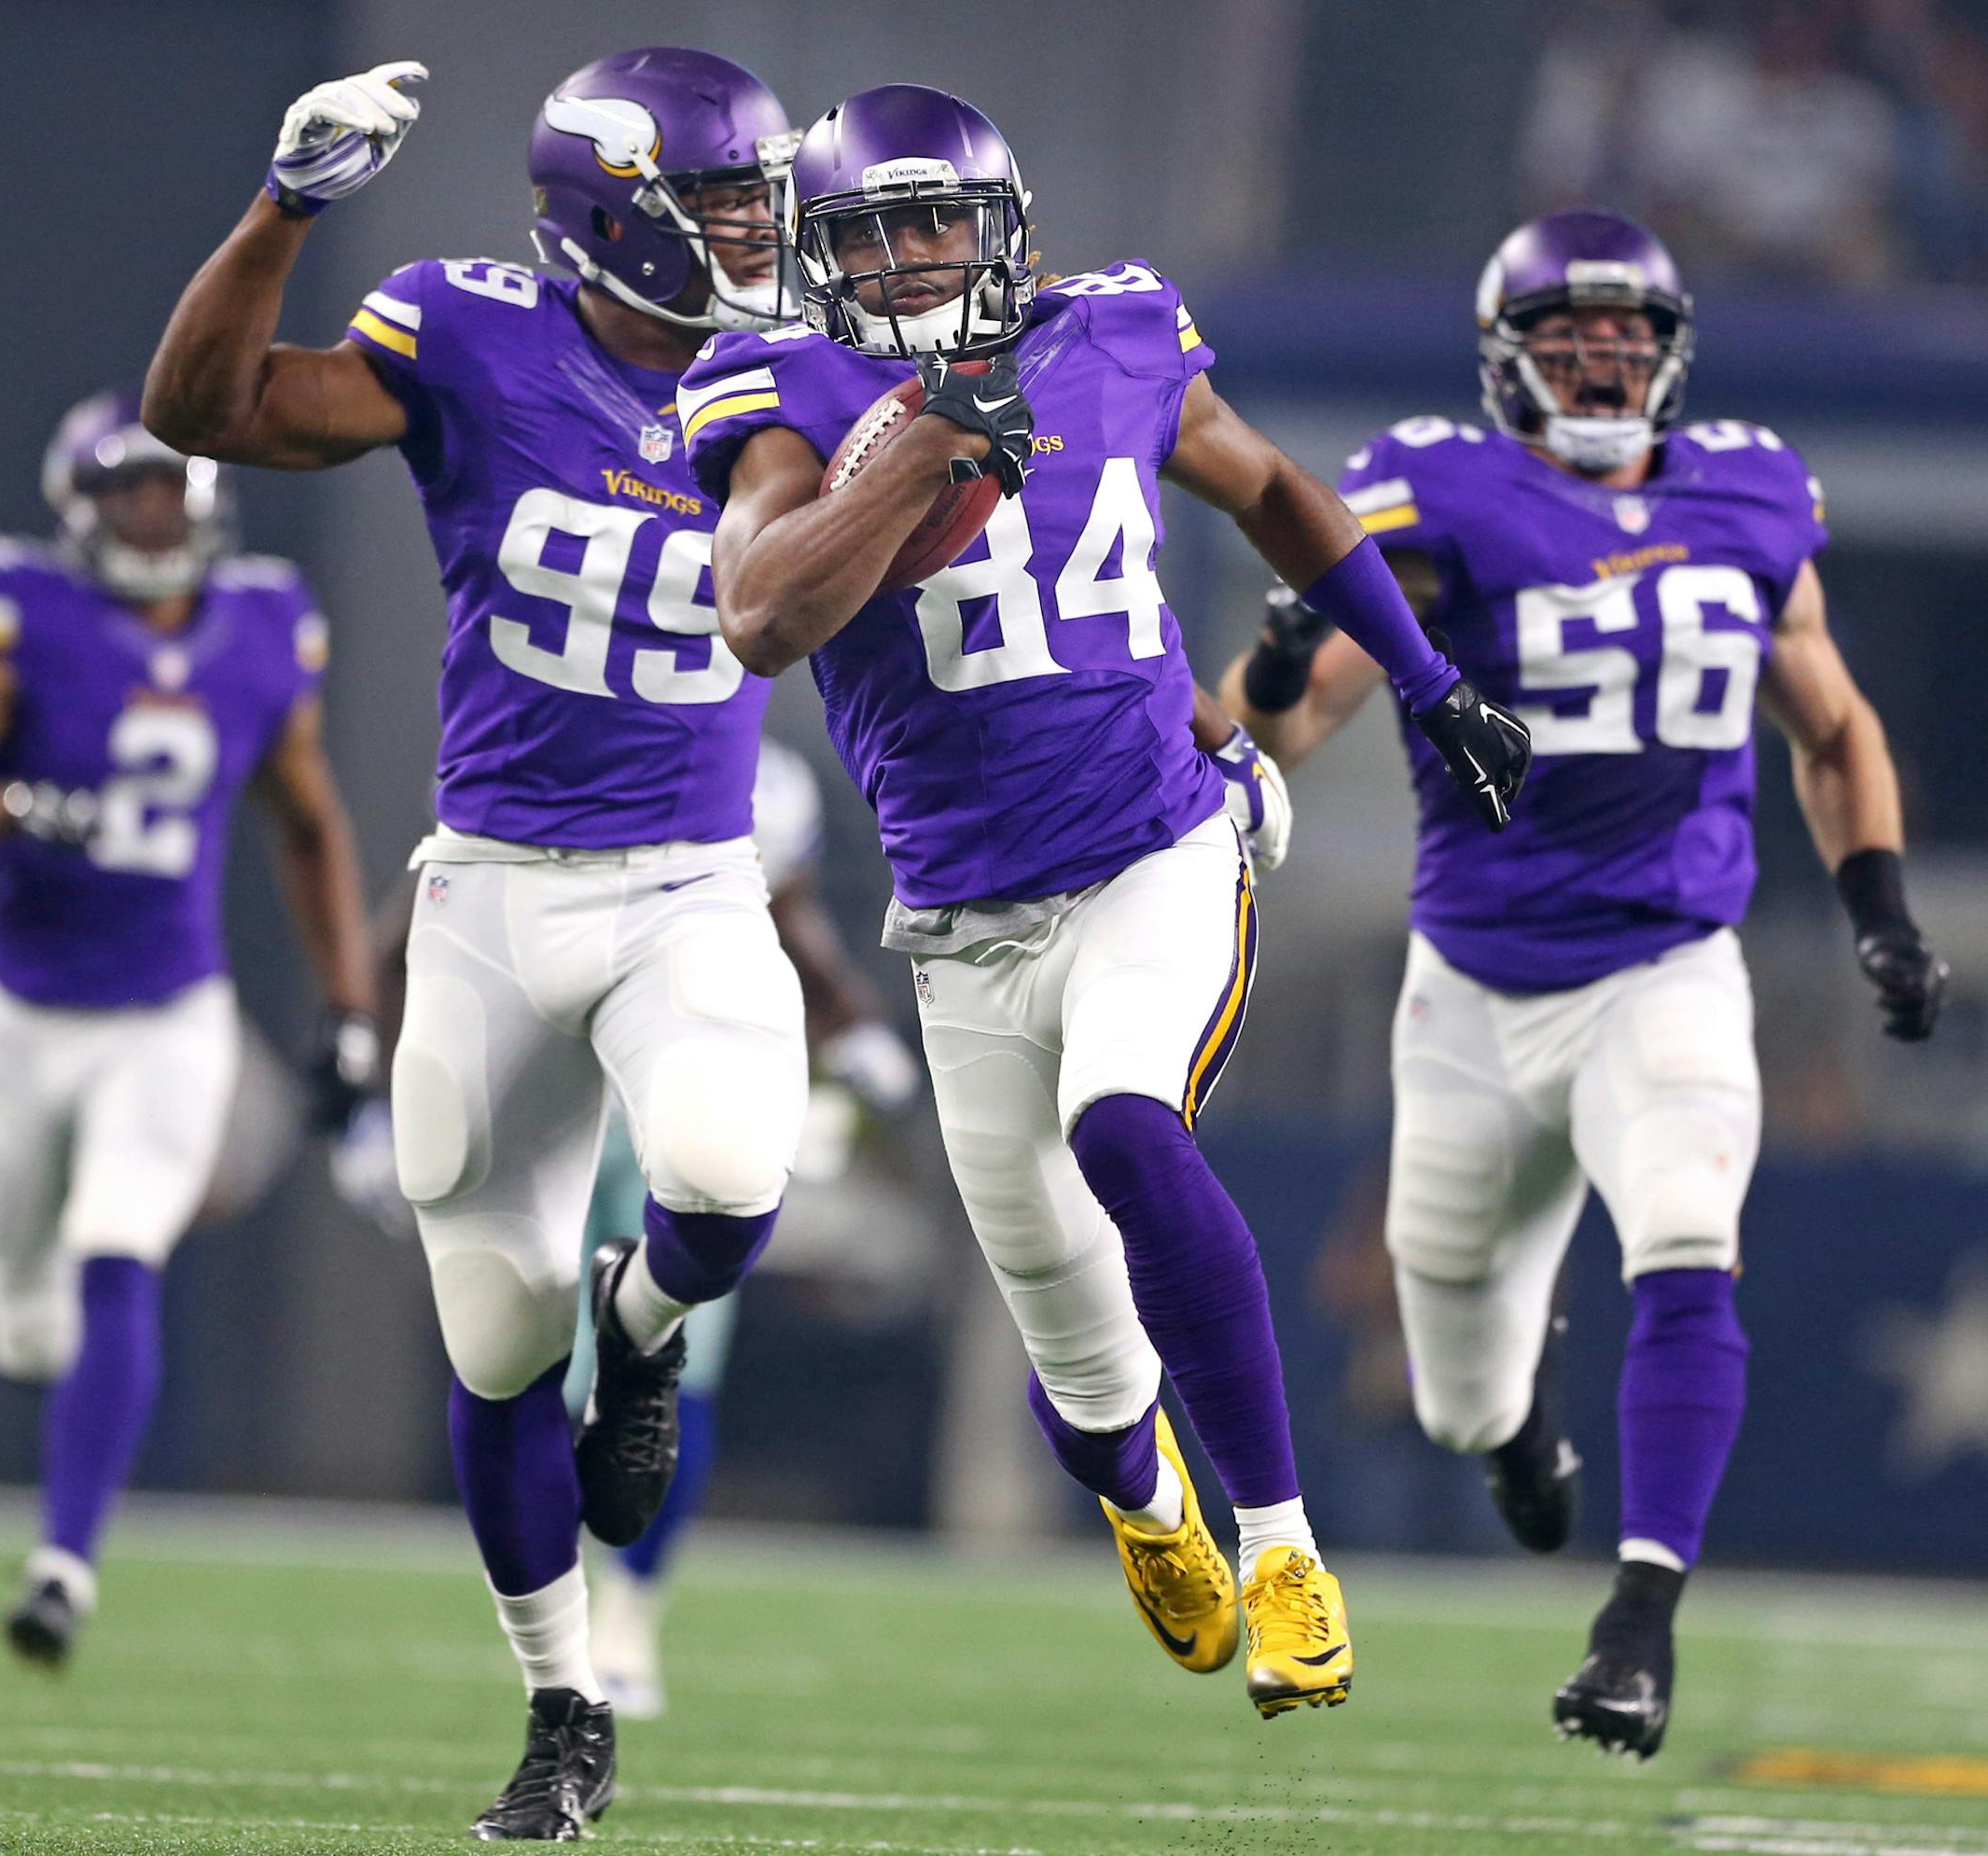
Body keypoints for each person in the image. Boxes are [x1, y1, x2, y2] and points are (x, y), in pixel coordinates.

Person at [683, 83, 1532, 1721]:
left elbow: (1276, 488)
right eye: (874, 232)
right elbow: (763, 616)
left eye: (941, 223)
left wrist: (1431, 688)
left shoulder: (1119, 333)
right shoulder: (786, 393)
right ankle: (1151, 1501)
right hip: (961, 920)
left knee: (1129, 1123)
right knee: (1078, 1366)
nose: (917, 258)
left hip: (1160, 840)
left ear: (1003, 232)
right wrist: (920, 439)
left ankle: (1286, 1548)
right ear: (819, 257)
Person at [145, 49, 813, 1839]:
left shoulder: (803, 376)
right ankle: (563, 1705)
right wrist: (286, 207)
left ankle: (649, 1316)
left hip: (689, 878)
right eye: (725, 201)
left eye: (765, 197)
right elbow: (203, 411)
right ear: (614, 214)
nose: (761, 229)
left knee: (732, 1181)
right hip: (497, 891)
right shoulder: (473, 332)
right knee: (498, 1335)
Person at [1221, 210, 1949, 1759]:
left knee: (1689, 1241)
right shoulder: (1443, 491)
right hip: (1473, 997)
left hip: (1667, 965)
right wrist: (1284, 657)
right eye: (1570, 338)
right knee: (1454, 1392)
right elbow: (1272, 736)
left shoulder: (1753, 491)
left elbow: (1831, 727)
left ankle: (1639, 1616)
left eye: (1627, 339)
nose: (1603, 363)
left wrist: (1879, 900)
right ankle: (1519, 1427)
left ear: (1672, 356)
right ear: (1508, 358)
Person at [0, 391, 374, 1668]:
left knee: (119, 1249)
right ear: (79, 506)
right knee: (21, 1319)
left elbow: (305, 822)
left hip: (169, 1009)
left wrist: (352, 1005)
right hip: (22, 1011)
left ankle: (65, 1566)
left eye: (170, 489)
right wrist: (13, 807)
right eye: (126, 491)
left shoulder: (263, 622)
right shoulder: (19, 608)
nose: (152, 513)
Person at [575, 735, 923, 1718]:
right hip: (574, 1082)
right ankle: (555, 1611)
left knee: (675, 1360)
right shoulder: (580, 716)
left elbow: (789, 919)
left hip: (694, 1086)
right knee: (547, 1361)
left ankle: (629, 1616)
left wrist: (849, 1024)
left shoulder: (762, 775)